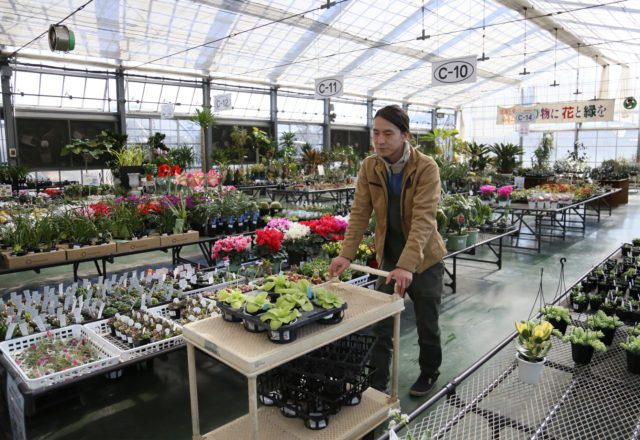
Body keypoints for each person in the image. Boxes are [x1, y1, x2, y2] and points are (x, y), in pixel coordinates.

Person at [329, 105, 447, 397]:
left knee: (426, 322)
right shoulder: (371, 166)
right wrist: (346, 254)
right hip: (390, 259)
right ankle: (378, 381)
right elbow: (359, 213)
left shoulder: (426, 167)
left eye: (388, 134)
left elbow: (423, 222)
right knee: (382, 324)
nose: (380, 140)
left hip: (425, 259)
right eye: (376, 133)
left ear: (405, 135)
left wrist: (408, 265)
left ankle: (429, 371)